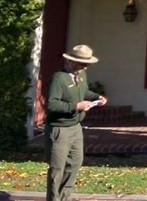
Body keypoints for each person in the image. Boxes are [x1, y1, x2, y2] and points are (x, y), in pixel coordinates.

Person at [45, 44, 107, 201]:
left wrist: (96, 97)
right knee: (57, 168)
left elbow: (84, 91)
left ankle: (64, 197)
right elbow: (52, 104)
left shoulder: (81, 76)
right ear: (71, 61)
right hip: (60, 129)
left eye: (87, 64)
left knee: (75, 163)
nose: (85, 68)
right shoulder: (59, 78)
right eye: (83, 64)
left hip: (76, 127)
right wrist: (75, 106)